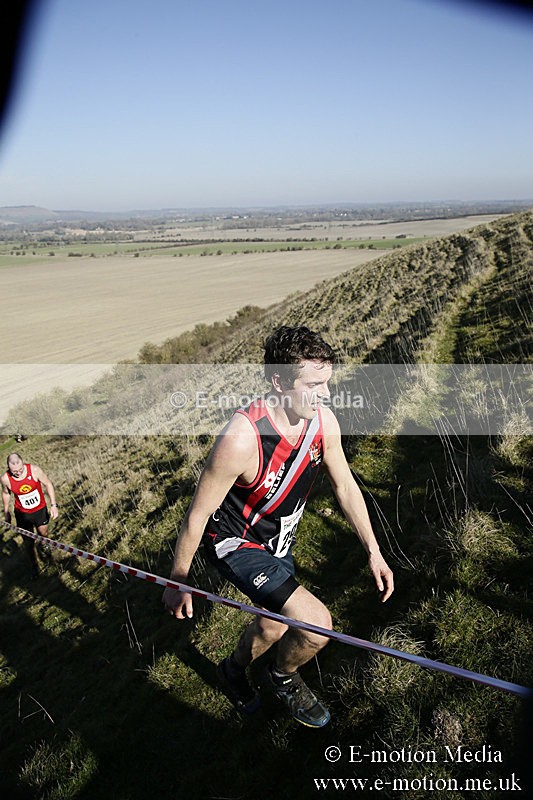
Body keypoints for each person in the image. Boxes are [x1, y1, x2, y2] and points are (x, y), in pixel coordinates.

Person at [163, 325, 394, 728]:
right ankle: (282, 676)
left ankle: (232, 671)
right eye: (314, 384)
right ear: (278, 381)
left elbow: (345, 485)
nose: (325, 394)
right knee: (316, 626)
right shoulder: (241, 438)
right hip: (235, 542)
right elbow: (197, 515)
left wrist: (373, 551)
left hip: (277, 541)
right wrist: (178, 579)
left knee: (272, 622)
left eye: (328, 382)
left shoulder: (322, 422)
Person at [2, 453, 59, 578]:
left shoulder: (34, 470)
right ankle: (35, 567)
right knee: (28, 542)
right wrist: (7, 513)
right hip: (22, 514)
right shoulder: (5, 478)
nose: (18, 473)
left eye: (20, 470)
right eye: (14, 471)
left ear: (23, 463)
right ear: (9, 468)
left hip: (40, 511)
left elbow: (48, 484)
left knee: (43, 534)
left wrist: (53, 505)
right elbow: (6, 494)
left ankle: (45, 547)